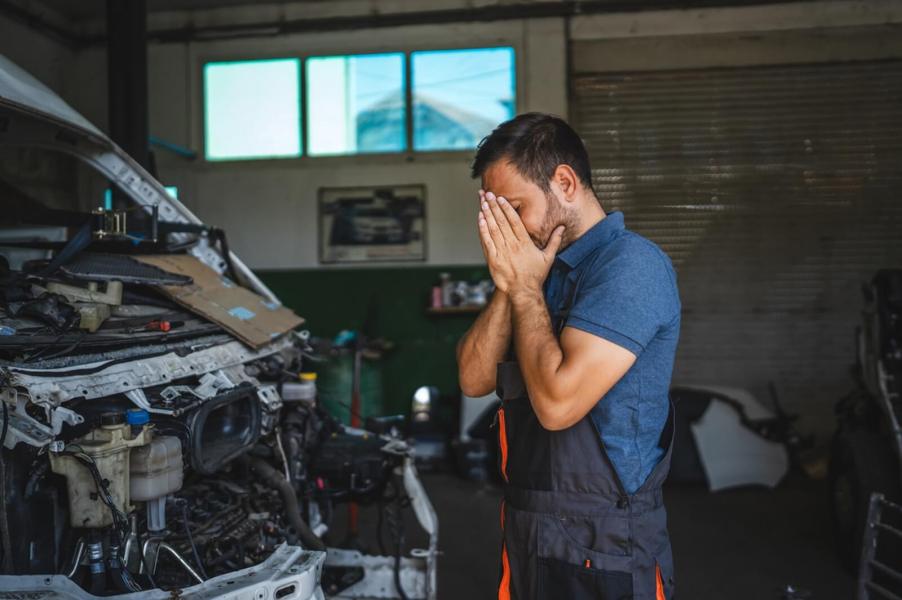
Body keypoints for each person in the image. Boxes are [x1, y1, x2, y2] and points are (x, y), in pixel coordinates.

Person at [456, 113, 681, 600]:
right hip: (528, 531)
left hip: (605, 545)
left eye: (515, 208)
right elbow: (473, 379)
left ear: (564, 182)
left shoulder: (631, 268)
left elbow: (558, 406)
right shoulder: (537, 274)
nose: (508, 229)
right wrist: (509, 286)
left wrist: (524, 288)